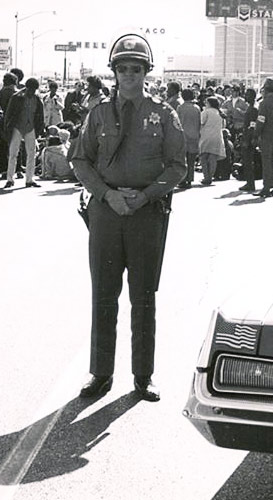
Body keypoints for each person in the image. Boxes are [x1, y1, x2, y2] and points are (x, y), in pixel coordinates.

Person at [70, 33, 186, 402]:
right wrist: (106, 194)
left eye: (137, 69)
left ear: (147, 72)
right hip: (106, 212)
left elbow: (178, 166)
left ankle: (143, 376)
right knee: (103, 294)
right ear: (114, 72)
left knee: (143, 297)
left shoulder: (163, 114)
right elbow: (80, 160)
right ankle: (101, 373)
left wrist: (147, 195)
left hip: (145, 214)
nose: (130, 75)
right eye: (123, 69)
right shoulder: (99, 114)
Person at [1, 77, 45, 188]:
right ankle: (10, 179)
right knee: (13, 154)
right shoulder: (16, 97)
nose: (32, 92)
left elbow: (40, 116)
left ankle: (29, 179)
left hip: (30, 128)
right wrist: (7, 128)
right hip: (17, 127)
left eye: (34, 90)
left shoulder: (37, 99)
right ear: (26, 87)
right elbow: (9, 114)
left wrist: (38, 130)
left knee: (31, 154)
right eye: (30, 89)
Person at [176, 87, 201, 188]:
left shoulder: (180, 108)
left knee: (182, 160)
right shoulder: (197, 108)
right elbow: (199, 122)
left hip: (183, 136)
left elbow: (177, 122)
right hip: (194, 135)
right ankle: (190, 179)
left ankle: (183, 179)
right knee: (191, 159)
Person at [198, 96, 226, 185]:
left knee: (203, 157)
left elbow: (201, 123)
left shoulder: (206, 112)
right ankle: (210, 176)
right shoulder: (220, 113)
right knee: (213, 158)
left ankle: (206, 177)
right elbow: (223, 126)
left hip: (206, 136)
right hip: (217, 136)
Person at [238, 88, 259, 192]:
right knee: (247, 161)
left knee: (248, 161)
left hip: (249, 138)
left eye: (247, 95)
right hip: (248, 136)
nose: (245, 96)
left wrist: (248, 139)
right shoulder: (251, 107)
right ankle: (249, 182)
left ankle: (250, 183)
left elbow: (252, 125)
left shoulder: (253, 109)